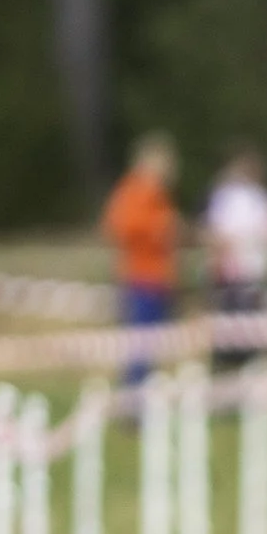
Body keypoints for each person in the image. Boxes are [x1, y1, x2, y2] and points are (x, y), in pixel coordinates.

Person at [102, 132, 182, 380]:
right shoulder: (134, 192)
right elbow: (118, 228)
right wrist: (159, 229)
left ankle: (144, 398)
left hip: (158, 280)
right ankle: (134, 405)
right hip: (140, 279)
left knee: (151, 347)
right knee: (138, 348)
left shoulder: (159, 197)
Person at [200, 147, 267, 339]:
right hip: (232, 271)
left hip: (253, 270)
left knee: (249, 318)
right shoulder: (228, 196)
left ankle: (244, 358)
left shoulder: (258, 197)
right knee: (230, 319)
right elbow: (215, 232)